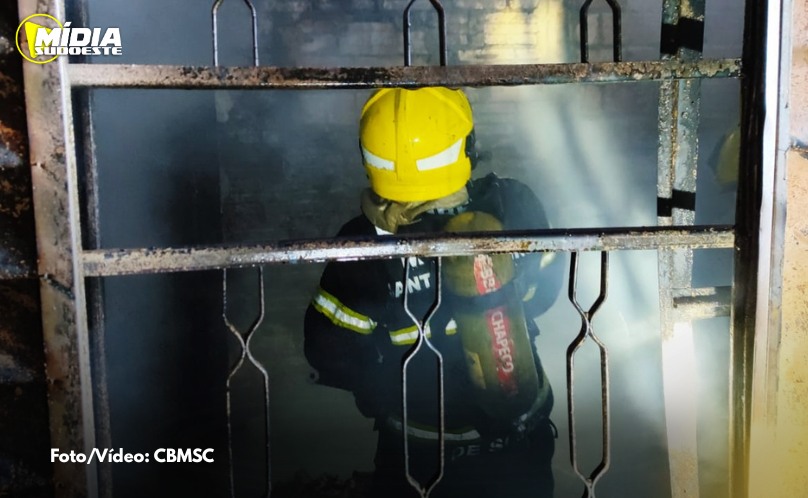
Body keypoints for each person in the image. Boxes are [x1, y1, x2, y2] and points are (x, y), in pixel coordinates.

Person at [303, 87, 564, 497]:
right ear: (466, 146)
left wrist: (383, 394)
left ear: (370, 158)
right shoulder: (513, 204)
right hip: (519, 435)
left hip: (417, 451)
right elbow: (547, 292)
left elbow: (328, 351)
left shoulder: (361, 245)